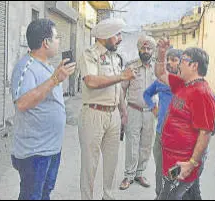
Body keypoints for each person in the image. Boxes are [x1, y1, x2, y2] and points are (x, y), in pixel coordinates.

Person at [10, 19, 76, 200]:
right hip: (34, 152)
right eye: (57, 37)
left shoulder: (45, 65)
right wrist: (55, 79)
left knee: (44, 193)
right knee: (32, 195)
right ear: (46, 42)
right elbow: (22, 103)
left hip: (50, 147)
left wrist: (56, 76)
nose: (59, 41)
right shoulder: (25, 67)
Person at [77, 18, 136, 200]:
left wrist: (123, 111)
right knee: (90, 163)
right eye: (116, 35)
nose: (119, 39)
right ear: (105, 36)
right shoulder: (89, 54)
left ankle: (108, 196)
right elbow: (91, 81)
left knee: (112, 161)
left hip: (114, 115)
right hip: (93, 114)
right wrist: (121, 76)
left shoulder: (114, 57)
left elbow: (117, 89)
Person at [154, 35, 215, 200]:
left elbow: (205, 132)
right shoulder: (182, 85)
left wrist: (192, 163)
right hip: (172, 159)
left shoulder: (202, 93)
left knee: (167, 196)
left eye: (183, 60)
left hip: (183, 163)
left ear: (194, 65)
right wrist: (161, 53)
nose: (179, 64)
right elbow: (160, 73)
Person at [119, 35, 157, 190]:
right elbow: (122, 89)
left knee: (146, 144)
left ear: (153, 51)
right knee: (132, 144)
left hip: (150, 112)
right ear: (139, 49)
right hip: (133, 110)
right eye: (143, 48)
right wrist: (123, 111)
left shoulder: (157, 68)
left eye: (149, 48)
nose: (146, 51)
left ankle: (139, 173)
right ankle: (128, 175)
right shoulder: (131, 66)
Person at [143, 48, 182, 198]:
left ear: (181, 63)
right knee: (159, 168)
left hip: (178, 136)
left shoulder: (185, 83)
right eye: (168, 59)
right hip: (161, 133)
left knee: (175, 170)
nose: (170, 63)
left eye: (174, 60)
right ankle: (159, 195)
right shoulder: (160, 81)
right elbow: (146, 94)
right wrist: (153, 107)